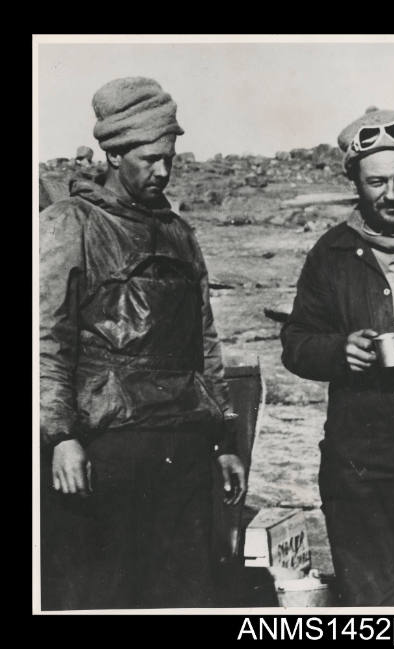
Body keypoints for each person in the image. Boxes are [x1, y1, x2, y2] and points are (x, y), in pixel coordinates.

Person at [39, 77, 246, 610]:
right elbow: (47, 341)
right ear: (111, 153)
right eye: (149, 159)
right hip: (102, 453)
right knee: (99, 595)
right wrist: (60, 438)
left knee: (184, 596)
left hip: (181, 451)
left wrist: (224, 443)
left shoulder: (179, 234)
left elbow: (205, 342)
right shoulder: (69, 224)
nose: (163, 172)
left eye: (170, 158)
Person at [281, 108, 394, 606]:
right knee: (380, 612)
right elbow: (296, 342)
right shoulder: (332, 254)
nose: (391, 194)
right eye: (376, 181)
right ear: (355, 184)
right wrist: (339, 352)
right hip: (362, 469)